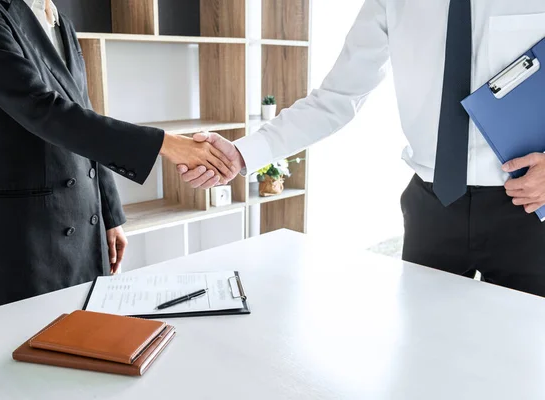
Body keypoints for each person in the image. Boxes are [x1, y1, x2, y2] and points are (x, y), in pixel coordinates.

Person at [178, 0, 545, 297]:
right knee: (426, 360)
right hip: (432, 209)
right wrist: (243, 153)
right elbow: (335, 100)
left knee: (528, 366)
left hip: (528, 208)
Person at [0, 0, 236, 313]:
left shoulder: (59, 21)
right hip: (21, 238)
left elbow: (82, 114)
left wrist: (110, 215)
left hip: (84, 223)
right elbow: (41, 109)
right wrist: (166, 143)